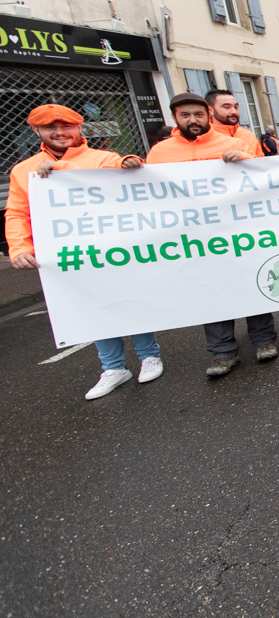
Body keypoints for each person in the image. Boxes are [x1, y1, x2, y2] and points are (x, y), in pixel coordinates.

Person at [6, 105, 161, 400]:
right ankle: (113, 367)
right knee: (93, 307)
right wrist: (20, 247)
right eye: (50, 128)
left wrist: (124, 162)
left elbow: (129, 178)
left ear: (79, 128)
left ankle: (149, 355)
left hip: (113, 249)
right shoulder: (23, 169)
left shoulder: (103, 158)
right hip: (70, 254)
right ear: (36, 131)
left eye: (66, 126)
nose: (60, 132)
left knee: (131, 300)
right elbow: (17, 213)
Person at [146, 93, 274, 377]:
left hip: (237, 231)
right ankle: (222, 352)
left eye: (198, 114)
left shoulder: (232, 143)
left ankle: (264, 340)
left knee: (251, 283)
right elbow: (149, 191)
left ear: (208, 115)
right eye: (185, 115)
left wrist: (244, 159)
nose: (192, 120)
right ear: (175, 118)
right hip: (194, 237)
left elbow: (263, 174)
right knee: (210, 291)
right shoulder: (160, 152)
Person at [205, 89, 264, 158]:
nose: (234, 112)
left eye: (236, 107)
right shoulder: (203, 137)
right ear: (210, 111)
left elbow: (260, 163)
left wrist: (243, 156)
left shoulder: (248, 135)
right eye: (227, 107)